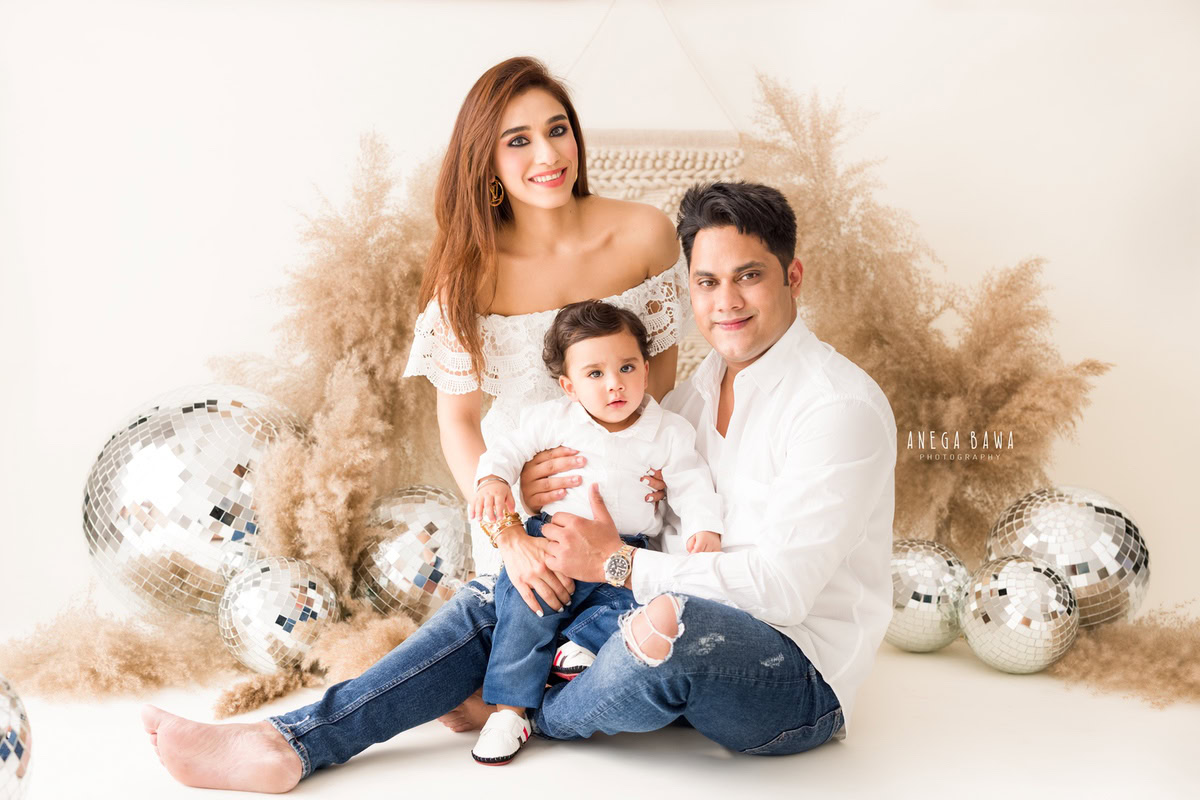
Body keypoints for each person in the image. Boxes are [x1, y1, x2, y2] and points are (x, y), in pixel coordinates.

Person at [141, 180, 896, 794]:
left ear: (792, 276)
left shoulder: (837, 410)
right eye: (707, 281)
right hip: (657, 609)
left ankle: (516, 702)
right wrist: (544, 523)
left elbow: (784, 590)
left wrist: (616, 565)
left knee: (671, 630)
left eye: (749, 276)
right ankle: (293, 742)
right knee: (512, 585)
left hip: (791, 678)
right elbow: (640, 498)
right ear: (690, 290)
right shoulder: (699, 389)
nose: (725, 301)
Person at [468, 300, 722, 764]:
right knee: (524, 608)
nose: (615, 384)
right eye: (595, 374)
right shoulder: (554, 420)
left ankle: (578, 642)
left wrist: (704, 528)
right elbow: (506, 448)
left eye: (626, 367)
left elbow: (691, 482)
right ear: (569, 386)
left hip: (623, 556)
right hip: (554, 542)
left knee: (645, 611)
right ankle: (509, 711)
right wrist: (493, 479)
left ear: (646, 369)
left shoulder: (668, 431)